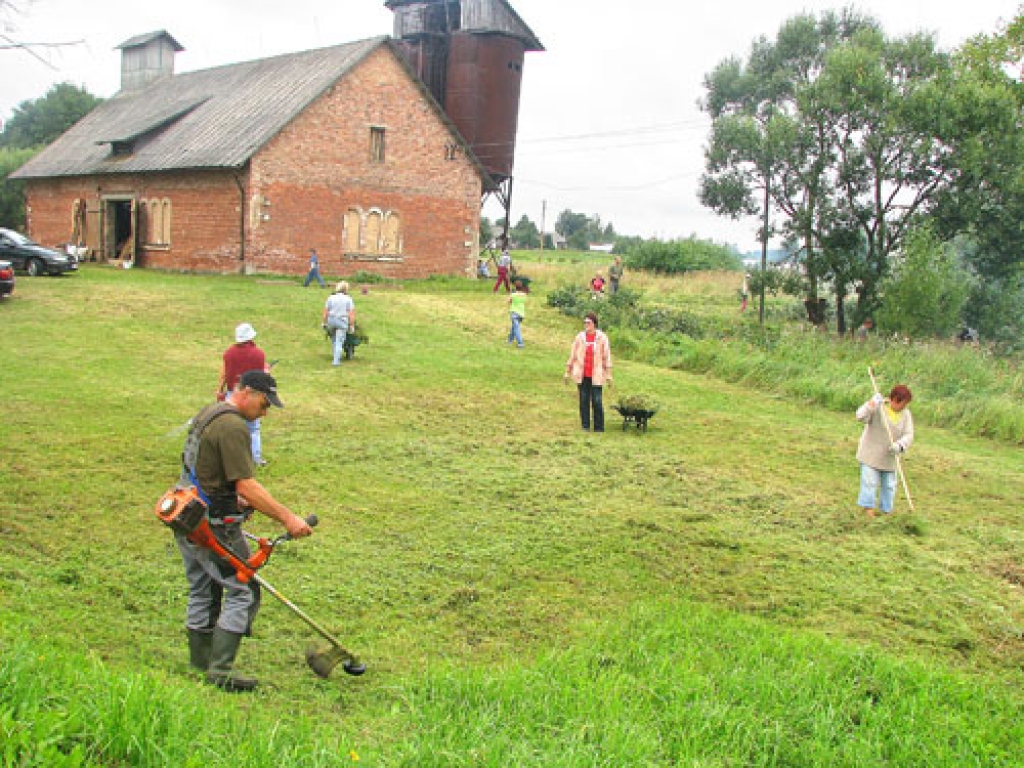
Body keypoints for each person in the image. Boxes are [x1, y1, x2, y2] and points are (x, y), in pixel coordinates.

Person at [177, 370, 313, 691]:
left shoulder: (210, 412)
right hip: (213, 523)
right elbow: (247, 484)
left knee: (203, 586)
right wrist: (289, 518)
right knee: (242, 589)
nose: (264, 413)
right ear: (248, 392)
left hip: (186, 509)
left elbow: (204, 467)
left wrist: (231, 496)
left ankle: (200, 662)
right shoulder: (233, 426)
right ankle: (220, 671)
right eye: (264, 405)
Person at [855, 384, 914, 518]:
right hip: (870, 454)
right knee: (869, 482)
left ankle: (886, 510)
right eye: (903, 403)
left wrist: (899, 445)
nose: (904, 407)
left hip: (890, 458)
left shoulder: (906, 414)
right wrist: (871, 404)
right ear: (895, 399)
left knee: (889, 485)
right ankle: (868, 509)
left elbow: (909, 435)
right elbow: (859, 416)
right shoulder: (878, 407)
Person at [216, 323, 270, 466]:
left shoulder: (228, 353)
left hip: (233, 394)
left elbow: (224, 374)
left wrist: (219, 390)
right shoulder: (259, 354)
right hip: (253, 395)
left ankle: (228, 458)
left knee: (228, 426)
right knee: (253, 428)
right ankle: (255, 458)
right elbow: (262, 376)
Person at [564, 312, 613, 432]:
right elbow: (573, 355)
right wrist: (567, 371)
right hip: (582, 373)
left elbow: (606, 357)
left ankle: (599, 427)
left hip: (596, 374)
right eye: (585, 323)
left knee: (597, 401)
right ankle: (585, 425)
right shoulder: (579, 337)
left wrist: (609, 375)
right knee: (583, 400)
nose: (586, 325)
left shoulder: (602, 338)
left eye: (589, 323)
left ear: (594, 324)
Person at [323, 280, 356, 366]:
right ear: (346, 289)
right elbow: (351, 314)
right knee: (339, 342)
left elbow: (326, 312)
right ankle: (336, 362)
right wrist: (352, 326)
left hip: (331, 321)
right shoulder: (348, 299)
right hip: (342, 322)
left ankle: (335, 357)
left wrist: (324, 323)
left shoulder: (331, 297)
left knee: (334, 340)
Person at [507, 280, 527, 348]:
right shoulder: (524, 295)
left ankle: (520, 343)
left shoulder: (513, 295)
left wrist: (511, 295)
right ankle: (510, 340)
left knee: (516, 328)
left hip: (514, 313)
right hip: (521, 313)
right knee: (514, 327)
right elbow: (524, 301)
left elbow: (508, 301)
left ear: (515, 287)